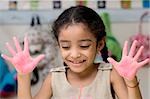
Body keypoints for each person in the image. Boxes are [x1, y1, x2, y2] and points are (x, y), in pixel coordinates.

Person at [1, 5, 149, 99]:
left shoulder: (111, 75)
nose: (74, 54)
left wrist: (131, 80)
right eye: (65, 46)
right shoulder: (54, 78)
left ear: (100, 44)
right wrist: (23, 76)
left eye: (84, 46)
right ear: (58, 45)